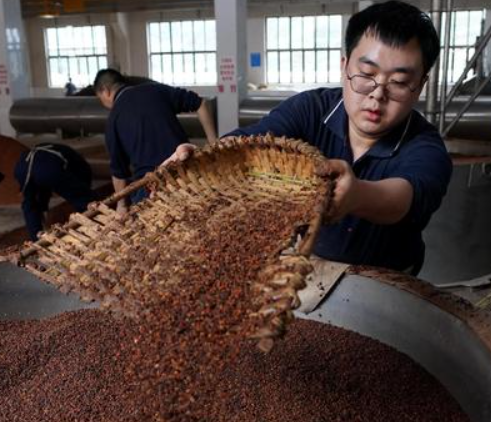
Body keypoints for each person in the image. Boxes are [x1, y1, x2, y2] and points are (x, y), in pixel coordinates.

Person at [167, 0, 451, 275]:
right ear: (344, 67)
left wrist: (357, 195)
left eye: (399, 82)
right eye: (366, 74)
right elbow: (253, 140)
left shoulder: (426, 147)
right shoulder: (311, 110)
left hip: (388, 278)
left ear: (420, 85)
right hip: (310, 267)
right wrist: (203, 157)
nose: (378, 94)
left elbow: (407, 197)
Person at [94, 68, 217, 214]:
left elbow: (119, 174)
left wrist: (122, 205)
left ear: (105, 91)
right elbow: (201, 103)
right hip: (189, 173)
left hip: (152, 187)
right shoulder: (155, 90)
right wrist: (213, 142)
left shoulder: (113, 120)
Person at [13, 143, 97, 241]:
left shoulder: (62, 151)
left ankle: (37, 240)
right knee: (85, 199)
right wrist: (86, 202)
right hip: (47, 168)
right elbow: (82, 191)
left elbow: (43, 187)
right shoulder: (81, 166)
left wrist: (43, 207)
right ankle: (93, 231)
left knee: (30, 203)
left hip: (21, 168)